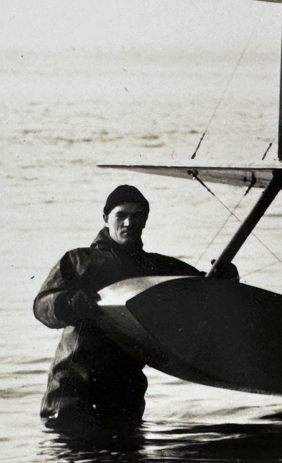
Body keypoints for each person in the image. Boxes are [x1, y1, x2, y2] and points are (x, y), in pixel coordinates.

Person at [34, 185, 235, 434]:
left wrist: (224, 281)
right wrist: (68, 302)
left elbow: (200, 291)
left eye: (137, 216)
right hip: (73, 393)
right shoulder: (79, 260)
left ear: (145, 221)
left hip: (125, 398)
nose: (129, 222)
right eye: (121, 215)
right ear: (106, 218)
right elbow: (42, 305)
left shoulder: (157, 267)